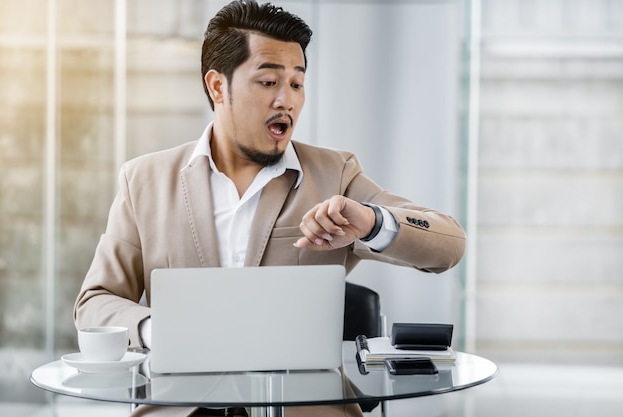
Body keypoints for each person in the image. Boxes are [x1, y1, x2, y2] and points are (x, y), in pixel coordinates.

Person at [74, 1, 466, 416]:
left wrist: (370, 222)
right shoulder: (144, 181)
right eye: (268, 82)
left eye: (297, 84)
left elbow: (448, 244)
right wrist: (159, 330)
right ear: (217, 86)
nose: (287, 100)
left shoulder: (335, 175)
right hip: (182, 407)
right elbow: (96, 301)